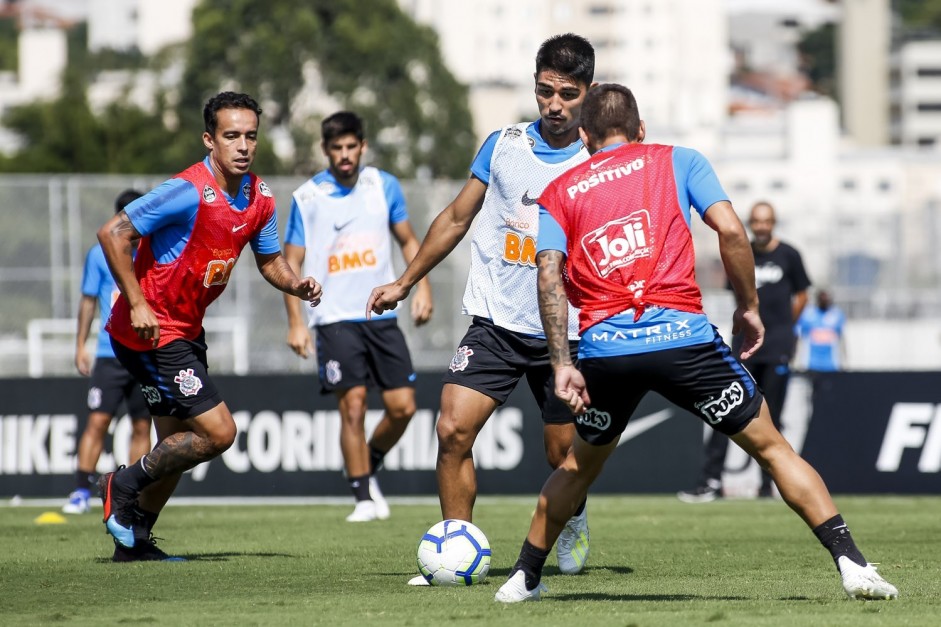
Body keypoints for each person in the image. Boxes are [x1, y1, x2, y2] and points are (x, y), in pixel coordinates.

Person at [493, 83, 898, 603]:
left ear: (586, 137)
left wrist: (561, 362)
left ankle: (523, 578)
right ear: (641, 130)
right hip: (685, 343)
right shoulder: (679, 160)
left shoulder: (561, 190)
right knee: (773, 450)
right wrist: (748, 306)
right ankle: (853, 565)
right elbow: (730, 230)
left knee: (576, 467)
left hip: (606, 354)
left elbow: (547, 273)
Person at [367, 34, 596, 582]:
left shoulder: (597, 159)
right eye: (545, 91)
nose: (554, 104)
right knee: (451, 431)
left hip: (564, 334)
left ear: (587, 91)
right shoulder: (503, 144)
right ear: (535, 86)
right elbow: (454, 218)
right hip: (494, 324)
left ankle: (574, 520)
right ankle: (454, 548)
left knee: (562, 453)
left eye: (567, 93)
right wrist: (404, 281)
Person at [95, 91, 322, 562]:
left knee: (178, 445)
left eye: (250, 136)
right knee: (219, 434)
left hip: (184, 331)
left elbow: (270, 261)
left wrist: (295, 285)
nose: (243, 145)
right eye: (231, 135)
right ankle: (122, 483)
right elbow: (113, 234)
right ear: (209, 140)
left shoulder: (259, 197)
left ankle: (133, 541)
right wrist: (137, 304)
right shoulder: (185, 190)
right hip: (151, 333)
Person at [283, 111, 433, 522]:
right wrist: (296, 320)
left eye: (352, 146)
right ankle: (364, 496)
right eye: (337, 148)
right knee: (353, 406)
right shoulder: (307, 198)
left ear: (362, 146)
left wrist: (423, 287)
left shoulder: (383, 186)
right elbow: (289, 264)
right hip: (332, 317)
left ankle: (367, 460)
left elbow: (408, 240)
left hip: (381, 313)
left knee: (403, 407)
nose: (345, 155)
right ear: (326, 150)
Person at [678, 200, 810, 502]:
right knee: (726, 410)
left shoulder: (789, 255)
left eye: (767, 221)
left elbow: (802, 293)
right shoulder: (741, 252)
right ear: (750, 223)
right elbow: (734, 294)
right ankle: (711, 481)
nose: (761, 227)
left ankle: (769, 485)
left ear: (774, 223)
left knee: (771, 417)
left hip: (776, 347)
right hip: (744, 348)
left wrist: (787, 327)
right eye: (756, 221)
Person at [63, 190, 152, 515]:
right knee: (98, 421)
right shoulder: (99, 254)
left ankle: (131, 494)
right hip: (109, 351)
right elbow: (88, 300)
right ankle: (80, 491)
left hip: (144, 352)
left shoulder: (153, 250)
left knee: (142, 425)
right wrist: (80, 344)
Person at [797, 288, 845, 372]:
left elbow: (841, 340)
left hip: (832, 366)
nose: (824, 299)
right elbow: (799, 337)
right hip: (810, 365)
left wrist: (843, 361)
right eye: (822, 297)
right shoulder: (807, 315)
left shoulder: (837, 315)